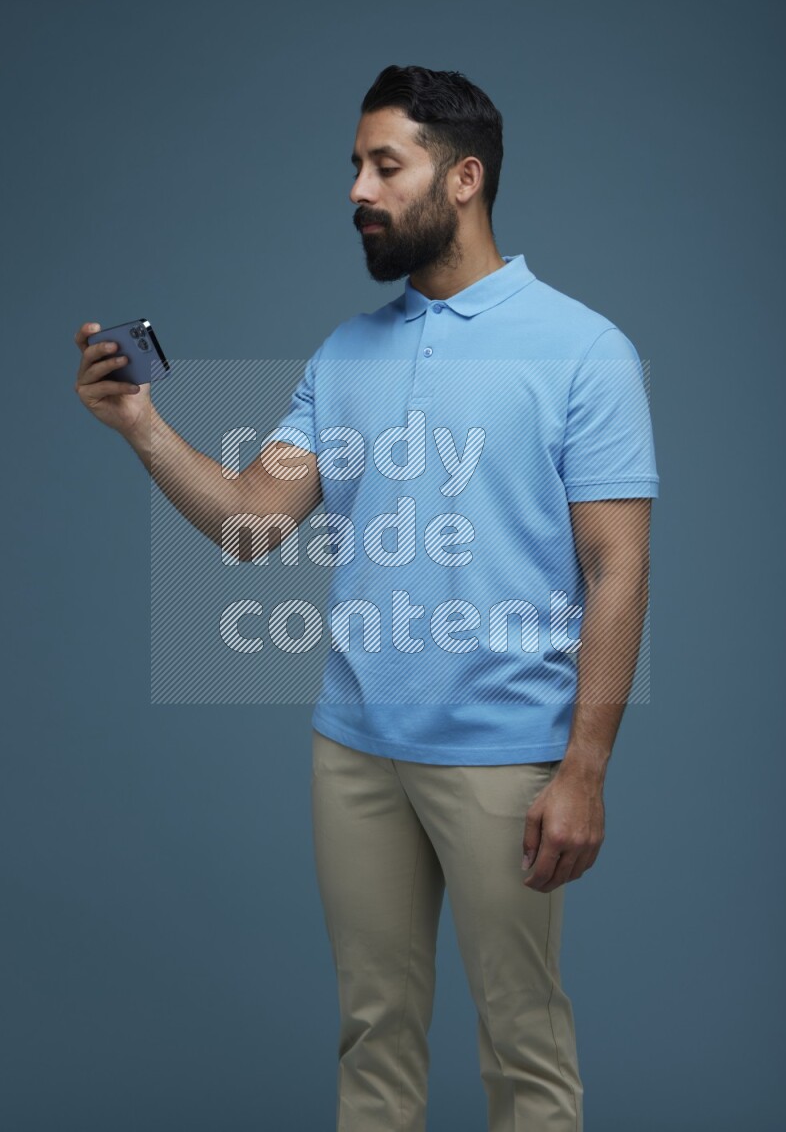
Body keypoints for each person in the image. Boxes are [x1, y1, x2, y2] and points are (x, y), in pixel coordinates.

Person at [74, 64, 658, 1132]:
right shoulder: (345, 351)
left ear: (464, 177)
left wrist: (582, 767)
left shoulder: (583, 351)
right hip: (353, 749)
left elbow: (616, 567)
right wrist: (145, 429)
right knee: (372, 1033)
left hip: (502, 755)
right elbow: (253, 523)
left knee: (521, 1043)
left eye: (385, 164)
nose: (358, 188)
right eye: (354, 164)